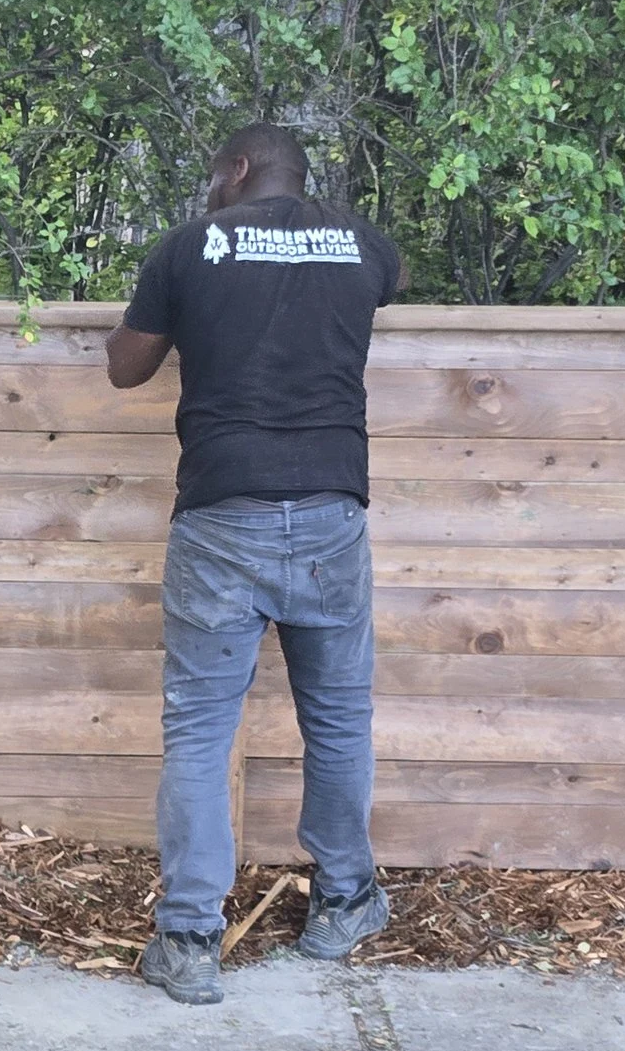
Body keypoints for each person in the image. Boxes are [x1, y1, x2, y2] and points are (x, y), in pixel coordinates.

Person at [105, 123, 405, 1004]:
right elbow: (396, 279)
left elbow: (126, 369)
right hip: (329, 514)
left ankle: (192, 941)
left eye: (213, 176)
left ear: (238, 170)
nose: (210, 192)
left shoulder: (190, 248)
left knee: (200, 730)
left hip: (222, 514)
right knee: (340, 719)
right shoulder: (362, 245)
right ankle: (346, 902)